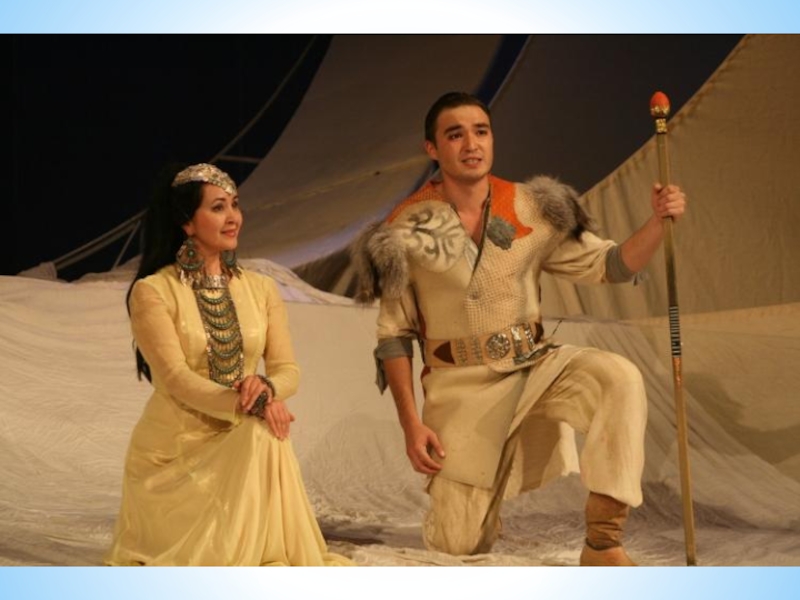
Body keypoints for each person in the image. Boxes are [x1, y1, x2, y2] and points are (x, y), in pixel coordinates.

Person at [353, 92, 687, 566]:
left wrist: (657, 222)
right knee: (457, 546)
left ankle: (603, 541)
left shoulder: (531, 206)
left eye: (481, 131)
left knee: (618, 377)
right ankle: (480, 504)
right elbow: (393, 335)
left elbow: (609, 264)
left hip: (535, 364)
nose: (472, 144)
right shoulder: (403, 228)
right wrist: (411, 424)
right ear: (432, 148)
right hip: (460, 387)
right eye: (455, 134)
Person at [105, 163, 352, 566]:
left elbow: (288, 369)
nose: (234, 216)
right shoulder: (154, 291)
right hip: (174, 453)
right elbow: (175, 379)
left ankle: (261, 555)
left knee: (263, 430)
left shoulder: (260, 288)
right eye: (218, 207)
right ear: (187, 222)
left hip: (245, 437)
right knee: (262, 428)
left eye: (235, 205)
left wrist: (266, 389)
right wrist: (248, 403)